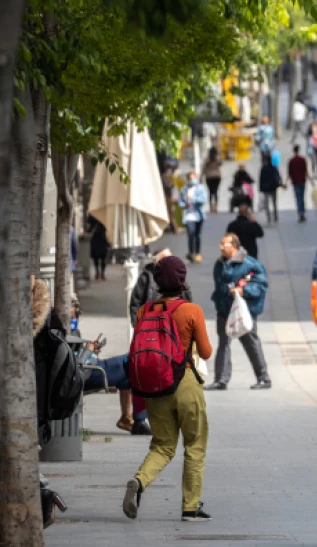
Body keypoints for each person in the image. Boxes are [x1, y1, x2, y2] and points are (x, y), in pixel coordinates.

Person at [122, 255, 214, 523]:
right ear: (182, 280)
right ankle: (190, 507)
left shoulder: (145, 311)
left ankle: (139, 482)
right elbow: (206, 353)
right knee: (195, 445)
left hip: (155, 386)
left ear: (157, 281)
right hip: (185, 383)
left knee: (162, 445)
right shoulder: (192, 310)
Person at [205, 234, 271, 391]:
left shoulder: (250, 264)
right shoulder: (219, 263)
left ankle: (263, 378)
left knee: (251, 343)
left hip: (243, 311)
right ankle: (221, 379)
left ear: (234, 246)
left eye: (224, 244)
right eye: (220, 244)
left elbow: (261, 286)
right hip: (224, 309)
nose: (221, 247)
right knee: (223, 344)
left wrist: (243, 290)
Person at [178, 172, 208, 264]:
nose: (192, 180)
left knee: (197, 235)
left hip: (198, 215)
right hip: (188, 216)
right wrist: (184, 205)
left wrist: (192, 199)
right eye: (190, 178)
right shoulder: (184, 189)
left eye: (193, 178)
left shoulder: (200, 188)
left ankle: (198, 253)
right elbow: (180, 203)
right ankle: (191, 252)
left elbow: (203, 200)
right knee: (191, 233)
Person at [288, 145, 309, 223]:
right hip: (302, 181)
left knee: (298, 197)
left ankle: (300, 212)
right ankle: (302, 212)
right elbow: (306, 171)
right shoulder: (302, 160)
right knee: (302, 197)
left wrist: (286, 182)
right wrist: (311, 181)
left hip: (295, 181)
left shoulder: (291, 161)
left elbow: (289, 173)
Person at [258, 155, 283, 224]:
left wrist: (260, 188)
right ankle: (275, 216)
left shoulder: (263, 168)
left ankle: (268, 216)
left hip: (266, 188)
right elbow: (278, 176)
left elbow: (261, 179)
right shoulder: (274, 168)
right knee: (274, 203)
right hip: (273, 187)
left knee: (267, 203)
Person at [86, 215, 110, 281]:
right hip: (101, 243)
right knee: (102, 260)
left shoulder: (93, 219)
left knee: (97, 260)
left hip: (97, 243)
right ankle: (101, 274)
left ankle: (98, 274)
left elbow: (89, 230)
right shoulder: (103, 221)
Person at [199, 147, 223, 214]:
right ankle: (215, 206)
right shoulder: (217, 158)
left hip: (209, 177)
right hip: (217, 176)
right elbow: (221, 163)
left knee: (210, 191)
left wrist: (201, 177)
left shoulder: (207, 159)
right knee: (215, 191)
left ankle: (211, 207)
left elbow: (204, 168)